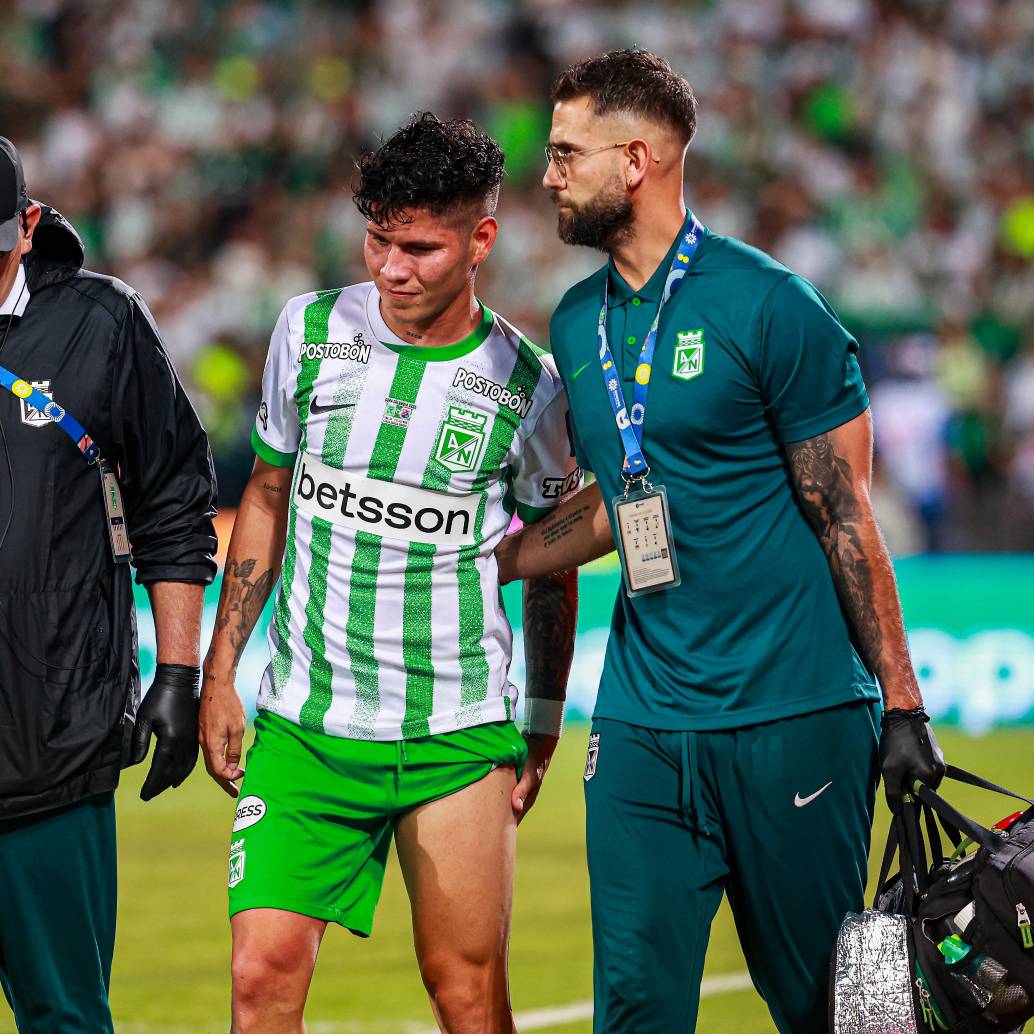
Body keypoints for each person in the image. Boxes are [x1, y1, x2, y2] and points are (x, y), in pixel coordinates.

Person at [495, 50, 946, 1034]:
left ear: (637, 160)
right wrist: (488, 553)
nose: (547, 173)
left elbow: (843, 511)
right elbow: (619, 504)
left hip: (800, 713)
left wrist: (902, 704)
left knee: (848, 1010)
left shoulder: (770, 303)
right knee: (633, 1006)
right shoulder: (575, 321)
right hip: (644, 724)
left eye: (567, 151)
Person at [199, 113, 580, 1034]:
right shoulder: (311, 329)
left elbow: (555, 563)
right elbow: (266, 491)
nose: (391, 268)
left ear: (481, 238)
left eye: (420, 246)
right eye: (378, 239)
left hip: (452, 732)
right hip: (305, 723)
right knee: (260, 977)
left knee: (465, 992)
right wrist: (221, 671)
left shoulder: (528, 384)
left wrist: (540, 716)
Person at [0, 136, 218, 1033]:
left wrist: (176, 674)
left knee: (66, 1019)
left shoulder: (101, 323)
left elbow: (171, 501)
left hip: (53, 743)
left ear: (25, 226)